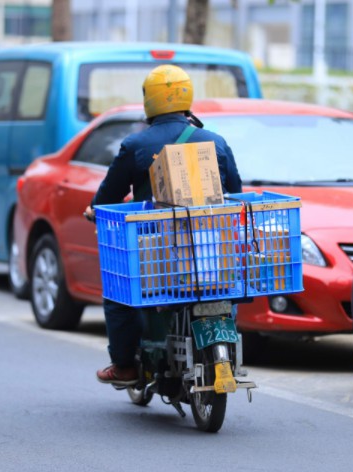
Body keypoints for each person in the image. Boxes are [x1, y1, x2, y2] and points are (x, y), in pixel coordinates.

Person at [85, 64, 243, 386]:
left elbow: (107, 198)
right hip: (210, 248)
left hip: (155, 250)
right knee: (226, 285)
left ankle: (125, 366)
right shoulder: (216, 142)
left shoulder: (136, 145)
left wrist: (94, 211)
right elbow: (235, 193)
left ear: (150, 100)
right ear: (187, 95)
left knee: (120, 291)